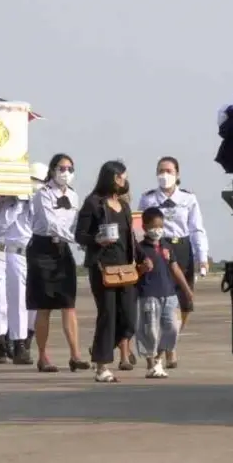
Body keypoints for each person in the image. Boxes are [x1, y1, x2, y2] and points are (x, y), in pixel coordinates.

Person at [137, 156, 208, 369]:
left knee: (185, 301)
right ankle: (167, 349)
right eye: (161, 170)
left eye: (168, 171)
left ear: (177, 174)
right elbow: (139, 225)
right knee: (161, 299)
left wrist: (202, 258)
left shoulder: (188, 198)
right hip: (157, 248)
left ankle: (171, 343)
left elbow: (197, 229)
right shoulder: (148, 199)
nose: (164, 175)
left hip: (182, 247)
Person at [75, 160, 142, 383]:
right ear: (113, 177)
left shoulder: (123, 206)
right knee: (108, 315)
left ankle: (99, 350)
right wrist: (97, 239)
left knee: (129, 318)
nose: (125, 180)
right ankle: (102, 365)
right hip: (103, 268)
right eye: (123, 176)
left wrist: (143, 258)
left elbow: (130, 237)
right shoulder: (93, 203)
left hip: (126, 268)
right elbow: (79, 235)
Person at [27, 153, 90, 373]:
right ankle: (43, 356)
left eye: (70, 169)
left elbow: (75, 225)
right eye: (61, 168)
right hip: (42, 249)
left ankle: (76, 355)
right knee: (44, 306)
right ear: (52, 170)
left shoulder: (73, 196)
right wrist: (79, 239)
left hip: (63, 250)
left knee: (68, 304)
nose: (66, 173)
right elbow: (51, 224)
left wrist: (85, 240)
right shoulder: (42, 194)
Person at [0, 162, 47, 365]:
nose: (35, 185)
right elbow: (2, 225)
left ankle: (25, 340)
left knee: (33, 304)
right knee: (9, 302)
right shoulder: (9, 203)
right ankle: (14, 344)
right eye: (32, 181)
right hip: (9, 254)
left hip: (32, 255)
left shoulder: (41, 203)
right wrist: (19, 204)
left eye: (39, 182)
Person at [134, 207, 194, 379]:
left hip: (169, 294)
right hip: (148, 294)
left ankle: (159, 357)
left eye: (161, 226)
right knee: (149, 331)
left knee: (172, 328)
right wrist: (142, 269)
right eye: (154, 226)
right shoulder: (139, 249)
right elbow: (134, 272)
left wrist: (187, 289)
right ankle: (151, 363)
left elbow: (175, 268)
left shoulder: (166, 246)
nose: (158, 230)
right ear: (145, 227)